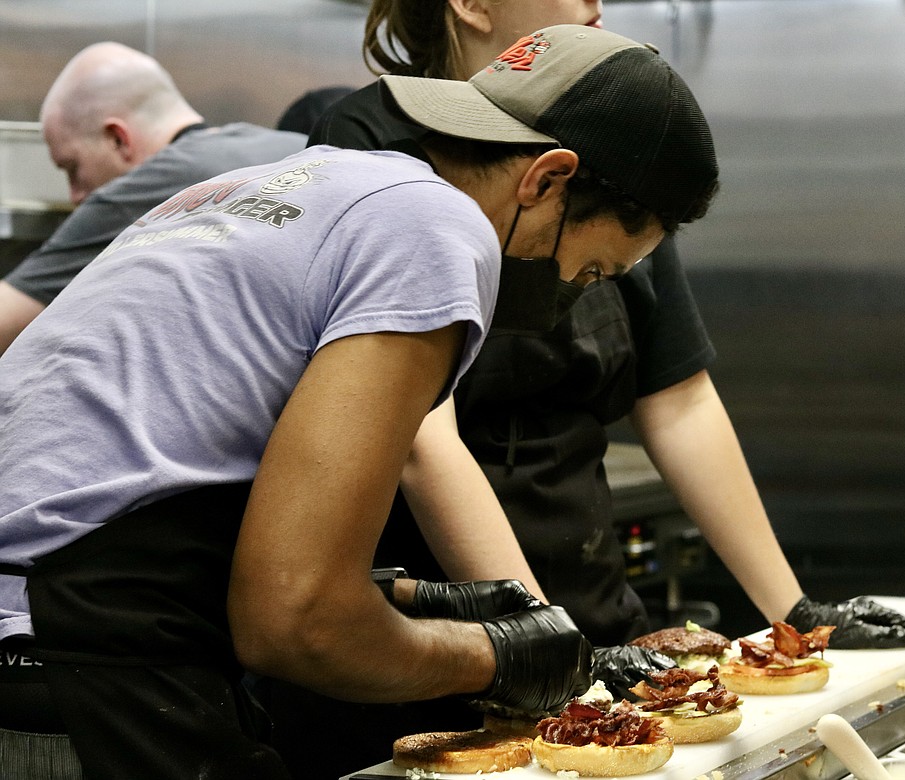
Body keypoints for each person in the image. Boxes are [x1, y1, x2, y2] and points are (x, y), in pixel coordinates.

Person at [0, 25, 718, 780]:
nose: (574, 292)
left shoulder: (295, 183)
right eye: (593, 268)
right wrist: (497, 658)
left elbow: (143, 487)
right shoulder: (437, 232)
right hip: (67, 668)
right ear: (546, 179)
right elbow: (294, 621)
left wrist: (425, 597)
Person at [310, 0, 905, 651]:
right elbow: (422, 441)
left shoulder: (617, 141)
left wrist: (794, 612)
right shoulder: (380, 143)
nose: (597, 3)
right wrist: (545, 646)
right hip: (424, 634)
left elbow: (679, 398)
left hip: (588, 608)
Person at [0, 41, 308, 354]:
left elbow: (5, 321)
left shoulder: (143, 191)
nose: (75, 195)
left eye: (72, 167)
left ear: (119, 140)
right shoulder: (299, 148)